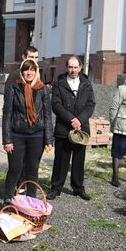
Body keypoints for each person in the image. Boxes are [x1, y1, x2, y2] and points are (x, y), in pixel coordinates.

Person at [2, 58, 53, 204]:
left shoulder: (42, 88)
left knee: (32, 169)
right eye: (26, 69)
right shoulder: (14, 87)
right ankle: (8, 197)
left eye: (32, 69)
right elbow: (7, 114)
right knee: (15, 168)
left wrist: (49, 139)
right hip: (17, 135)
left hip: (37, 136)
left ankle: (31, 200)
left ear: (36, 71)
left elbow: (47, 115)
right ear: (21, 71)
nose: (29, 72)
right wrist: (7, 140)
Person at [48, 56, 95, 201]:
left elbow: (91, 104)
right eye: (70, 67)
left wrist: (79, 120)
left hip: (81, 128)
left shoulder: (86, 83)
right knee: (61, 159)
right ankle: (56, 188)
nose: (73, 70)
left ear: (80, 68)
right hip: (64, 127)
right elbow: (56, 104)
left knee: (79, 160)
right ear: (66, 68)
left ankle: (78, 188)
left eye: (75, 67)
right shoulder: (59, 82)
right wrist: (71, 119)